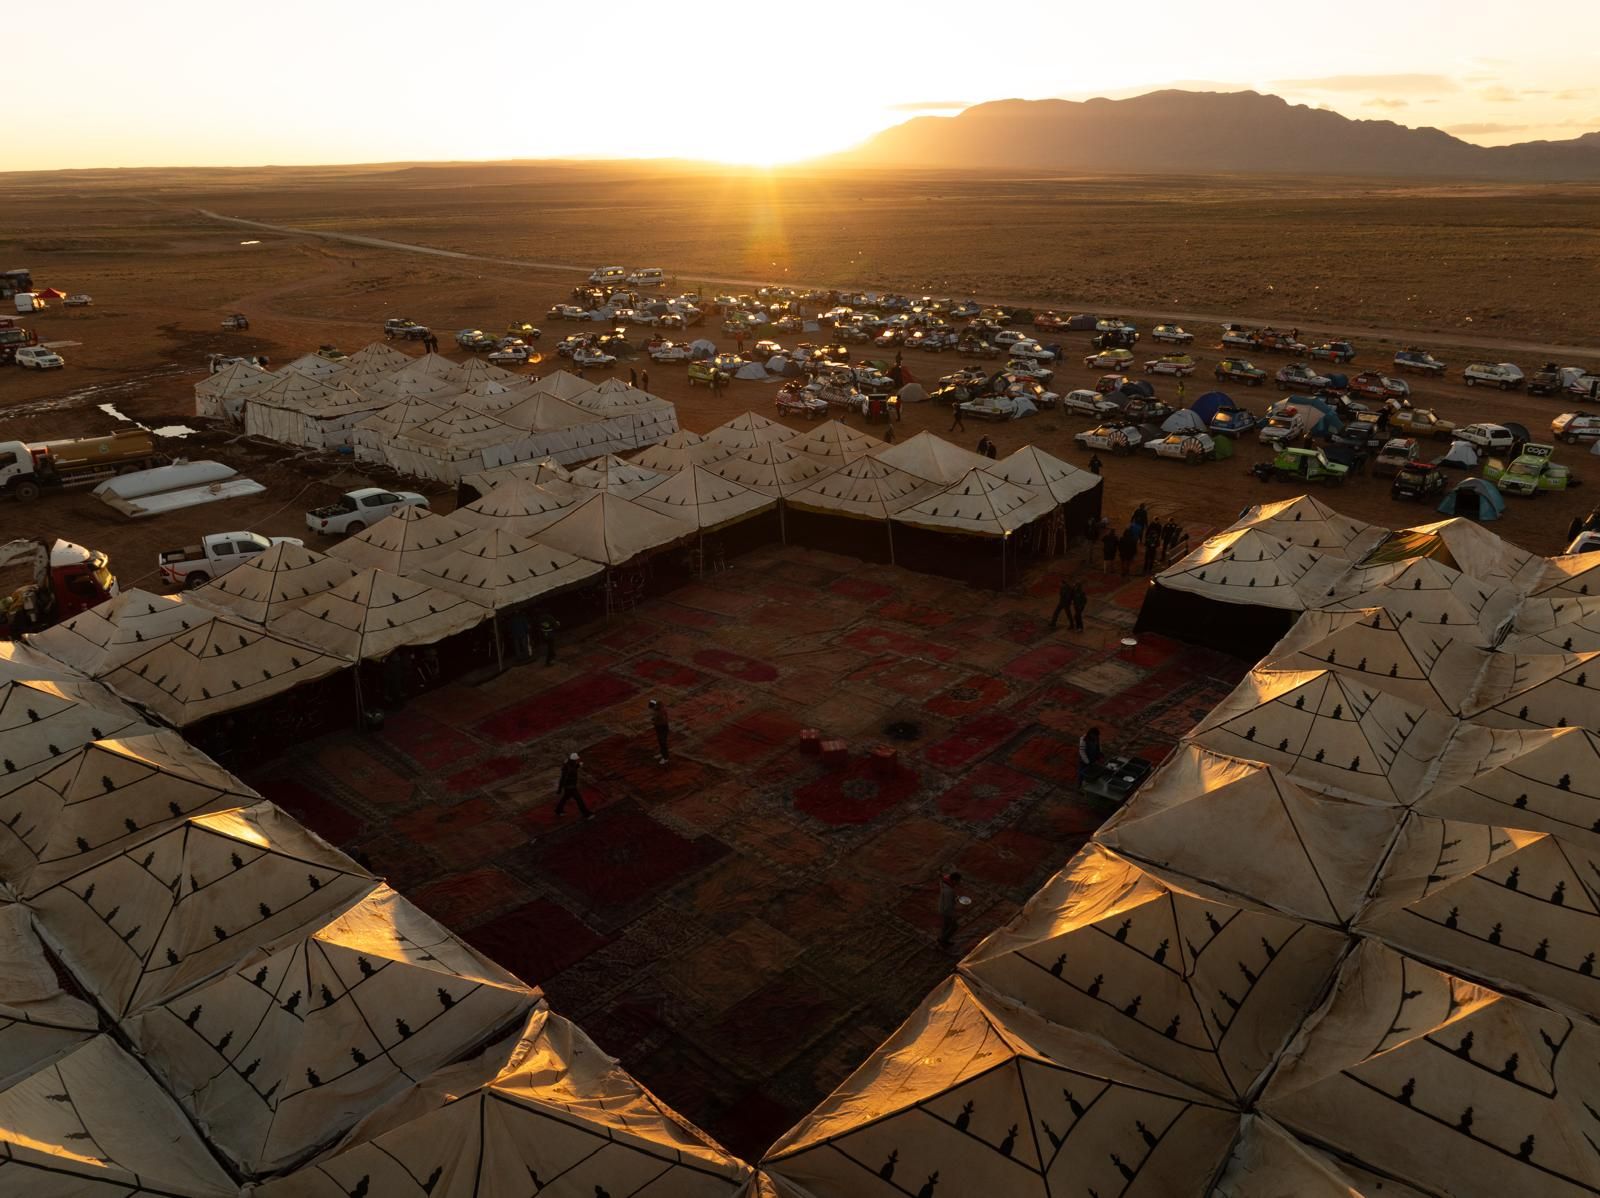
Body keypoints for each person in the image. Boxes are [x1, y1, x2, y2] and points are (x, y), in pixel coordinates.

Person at [556, 752, 592, 819]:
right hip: (571, 787)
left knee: (564, 798)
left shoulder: (569, 764)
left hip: (569, 787)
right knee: (579, 800)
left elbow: (572, 769)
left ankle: (558, 810)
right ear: (574, 760)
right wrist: (559, 789)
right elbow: (563, 779)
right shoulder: (570, 768)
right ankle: (587, 814)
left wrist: (578, 765)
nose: (577, 760)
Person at [937, 870, 963, 948]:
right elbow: (948, 906)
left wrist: (955, 897)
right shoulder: (949, 891)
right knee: (954, 926)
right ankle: (943, 940)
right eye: (958, 881)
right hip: (946, 910)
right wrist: (953, 915)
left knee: (946, 925)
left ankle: (942, 939)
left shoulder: (945, 883)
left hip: (942, 907)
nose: (959, 883)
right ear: (954, 880)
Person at [649, 698, 670, 763]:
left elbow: (664, 721)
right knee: (660, 741)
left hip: (662, 727)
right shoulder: (657, 708)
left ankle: (665, 758)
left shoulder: (660, 712)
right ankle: (662, 753)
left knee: (663, 742)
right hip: (659, 727)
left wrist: (654, 722)